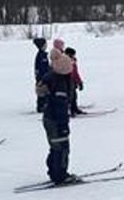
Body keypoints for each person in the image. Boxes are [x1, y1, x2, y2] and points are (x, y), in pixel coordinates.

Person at [36, 42, 75, 185]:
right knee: (62, 148)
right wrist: (63, 126)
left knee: (55, 147)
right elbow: (60, 108)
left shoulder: (51, 77)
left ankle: (53, 172)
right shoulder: (60, 84)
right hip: (55, 121)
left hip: (49, 118)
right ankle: (60, 175)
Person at [64, 46, 85, 116]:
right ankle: (69, 110)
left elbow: (76, 73)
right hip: (67, 81)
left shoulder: (73, 61)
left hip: (73, 81)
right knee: (69, 96)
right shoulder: (65, 61)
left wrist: (79, 82)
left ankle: (74, 108)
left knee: (74, 96)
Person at [33, 38, 49, 113]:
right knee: (42, 92)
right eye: (45, 44)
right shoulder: (41, 55)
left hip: (43, 76)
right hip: (42, 77)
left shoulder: (43, 54)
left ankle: (43, 105)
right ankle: (41, 106)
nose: (46, 45)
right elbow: (42, 68)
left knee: (44, 92)